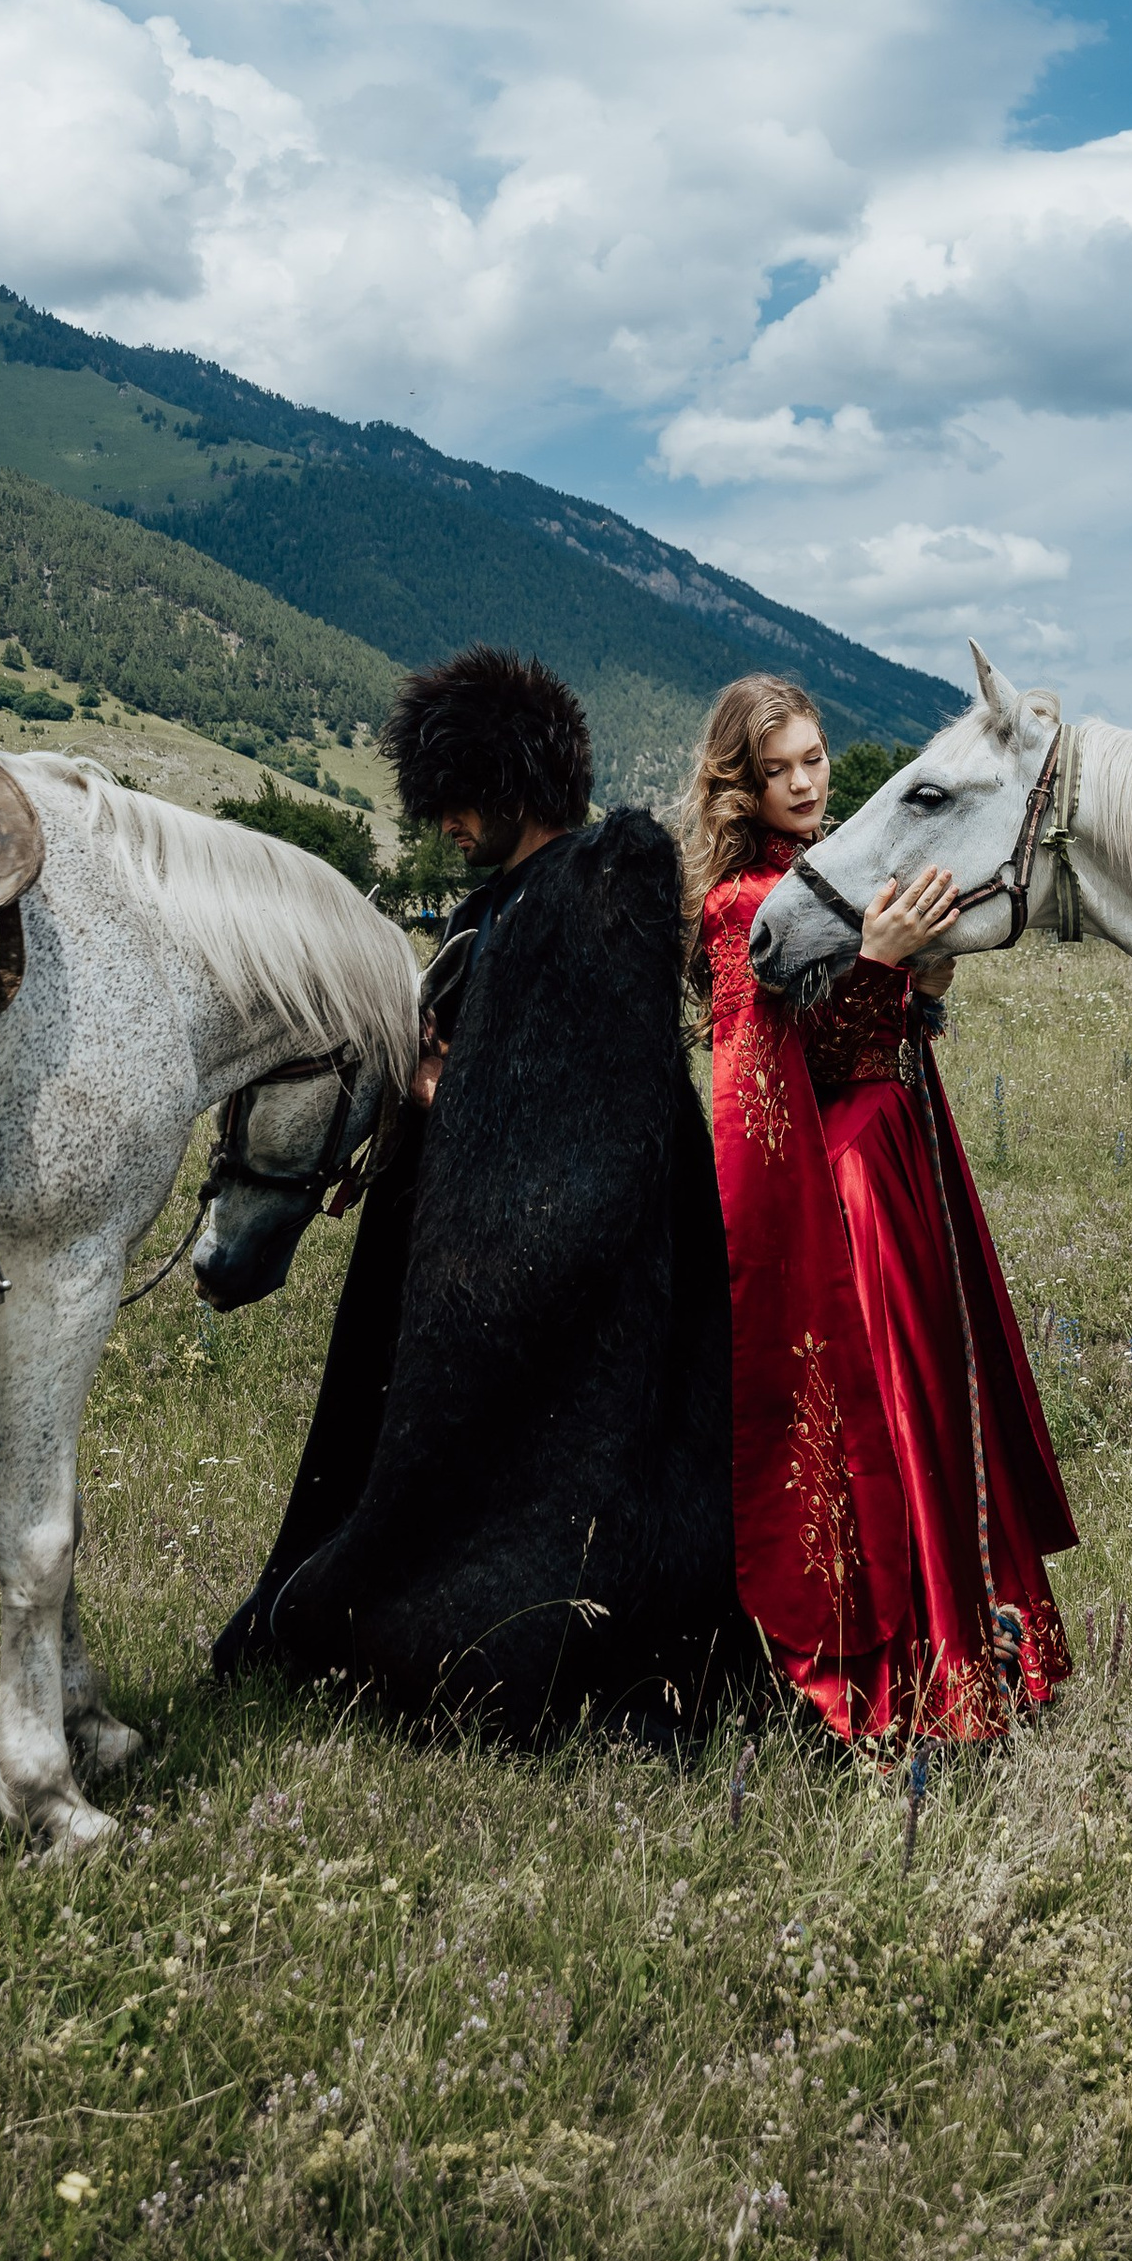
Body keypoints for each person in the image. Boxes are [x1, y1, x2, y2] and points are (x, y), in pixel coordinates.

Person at [215, 645, 740, 1738]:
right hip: (467, 1237)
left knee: (525, 1494)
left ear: (509, 782)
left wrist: (448, 1086)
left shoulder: (598, 889)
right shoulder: (495, 904)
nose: (444, 823)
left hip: (559, 1265)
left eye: (458, 800)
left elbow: (593, 1100)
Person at [687, 673, 1074, 1745]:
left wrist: (925, 975)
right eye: (778, 771)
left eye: (814, 759)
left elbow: (900, 1016)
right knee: (886, 1401)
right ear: (741, 783)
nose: (805, 783)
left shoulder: (843, 865)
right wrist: (880, 964)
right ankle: (914, 1664)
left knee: (946, 1394)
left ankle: (985, 1638)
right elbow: (763, 1066)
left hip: (908, 1147)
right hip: (838, 1172)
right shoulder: (738, 906)